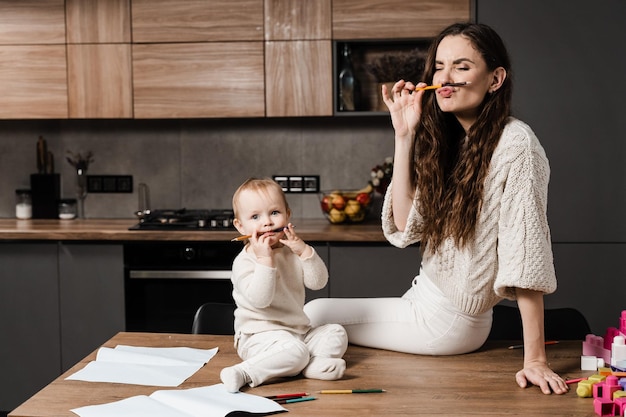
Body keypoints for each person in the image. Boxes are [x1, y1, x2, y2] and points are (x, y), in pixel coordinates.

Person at [304, 22, 567, 395]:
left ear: (495, 79)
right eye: (439, 66)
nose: (445, 77)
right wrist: (404, 134)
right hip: (425, 302)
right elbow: (405, 225)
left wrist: (535, 360)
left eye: (461, 66)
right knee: (315, 320)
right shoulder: (450, 138)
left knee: (314, 315)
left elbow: (525, 256)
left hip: (450, 321)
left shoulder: (516, 146)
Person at [220, 177, 348, 393]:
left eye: (274, 213)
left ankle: (311, 365)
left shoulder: (292, 251)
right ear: (240, 226)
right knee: (296, 351)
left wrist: (304, 252)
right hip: (259, 336)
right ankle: (244, 372)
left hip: (298, 331)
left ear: (287, 215)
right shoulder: (245, 261)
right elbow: (261, 300)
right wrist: (265, 260)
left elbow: (318, 282)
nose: (267, 222)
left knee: (336, 332)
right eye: (255, 217)